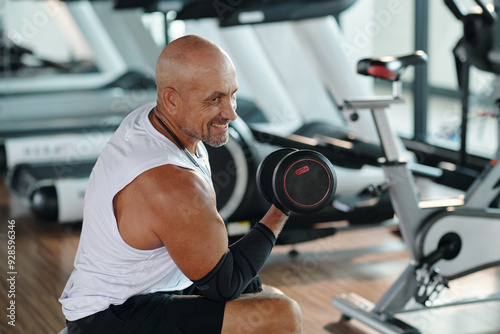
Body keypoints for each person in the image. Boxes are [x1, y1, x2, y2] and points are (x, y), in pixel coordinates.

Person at [59, 35, 303, 334]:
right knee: (280, 314)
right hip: (111, 319)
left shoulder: (153, 121)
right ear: (172, 100)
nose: (231, 113)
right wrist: (283, 206)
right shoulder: (171, 182)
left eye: (232, 94)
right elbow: (221, 284)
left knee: (253, 287)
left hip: (138, 292)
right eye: (214, 99)